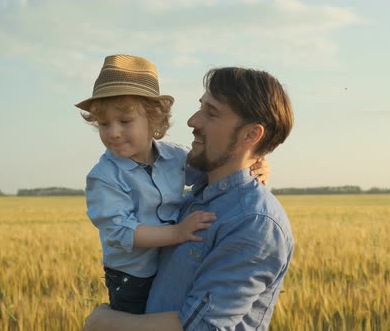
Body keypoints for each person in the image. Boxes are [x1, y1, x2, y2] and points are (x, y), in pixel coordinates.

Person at [83, 66, 294, 330]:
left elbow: (202, 327)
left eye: (212, 112)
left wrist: (106, 322)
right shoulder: (197, 193)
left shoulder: (254, 222)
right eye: (200, 107)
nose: (192, 121)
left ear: (250, 135)